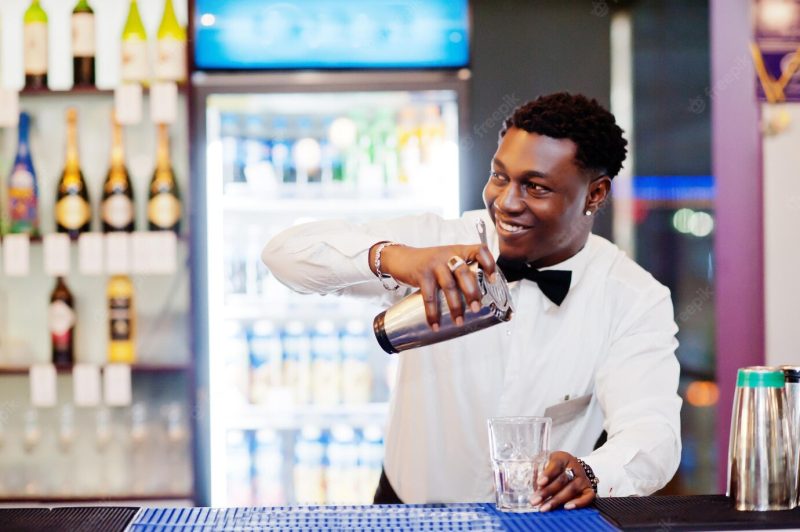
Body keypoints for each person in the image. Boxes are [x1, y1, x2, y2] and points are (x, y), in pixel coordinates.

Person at [263, 93, 681, 510]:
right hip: (407, 513)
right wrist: (394, 257)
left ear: (595, 195)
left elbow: (652, 432)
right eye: (500, 176)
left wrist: (592, 472)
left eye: (535, 187)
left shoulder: (632, 297)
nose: (506, 202)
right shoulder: (436, 241)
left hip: (539, 519)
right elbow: (283, 254)